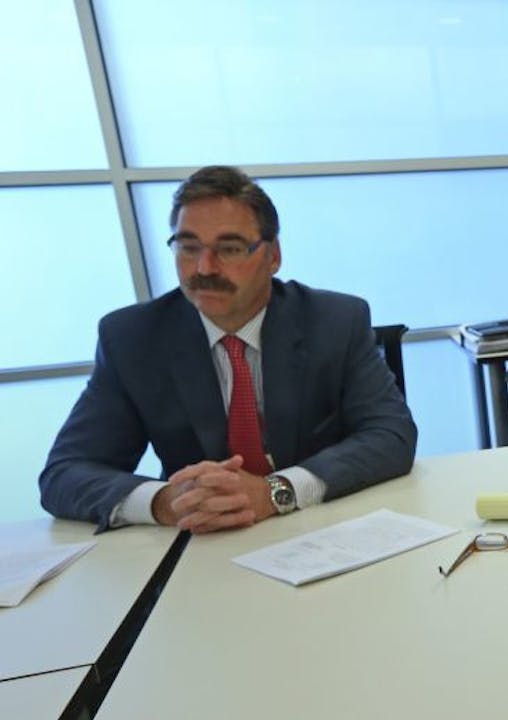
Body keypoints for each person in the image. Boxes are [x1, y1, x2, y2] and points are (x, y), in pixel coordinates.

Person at [40, 165, 417, 533]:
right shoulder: (133, 337)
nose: (204, 268)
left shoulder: (335, 320)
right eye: (188, 247)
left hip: (321, 530)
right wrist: (165, 502)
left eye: (230, 248)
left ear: (273, 256)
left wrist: (276, 492)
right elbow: (65, 473)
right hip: (201, 543)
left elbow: (391, 435)